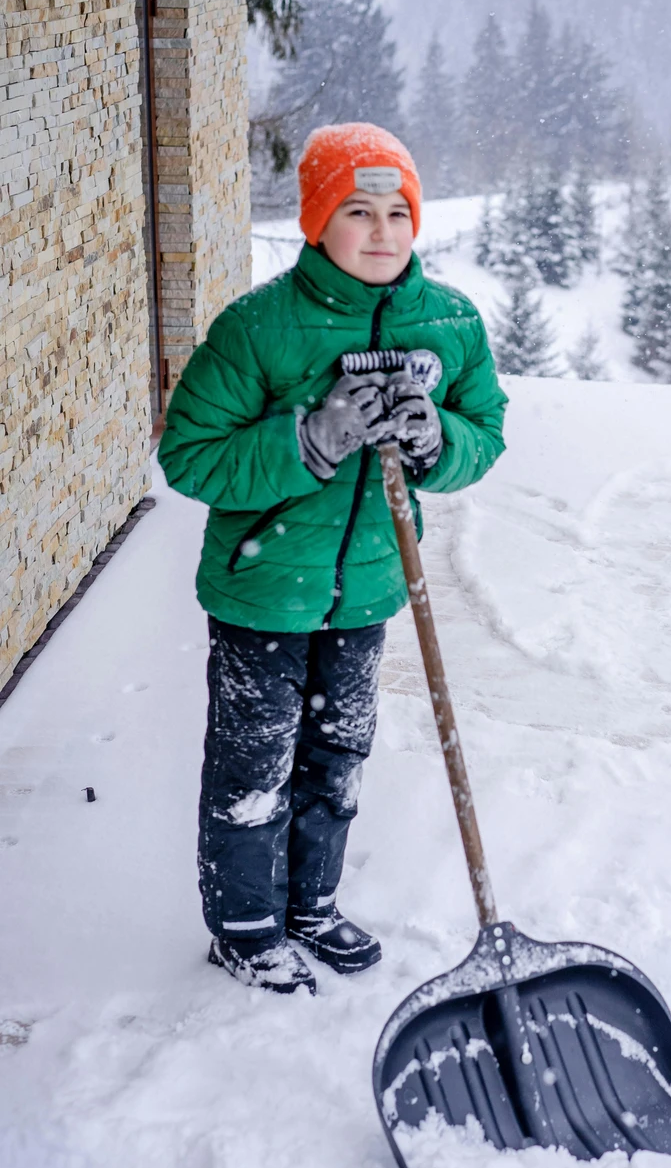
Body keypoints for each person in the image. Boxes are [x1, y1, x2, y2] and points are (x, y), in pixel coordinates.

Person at [158, 123, 507, 994]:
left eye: (399, 212)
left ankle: (311, 905)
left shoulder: (451, 322)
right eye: (359, 210)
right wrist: (311, 437)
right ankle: (244, 929)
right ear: (318, 221)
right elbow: (190, 456)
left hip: (370, 590)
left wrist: (439, 438)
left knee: (337, 754)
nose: (384, 231)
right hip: (264, 591)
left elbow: (486, 432)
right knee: (253, 768)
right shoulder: (261, 328)